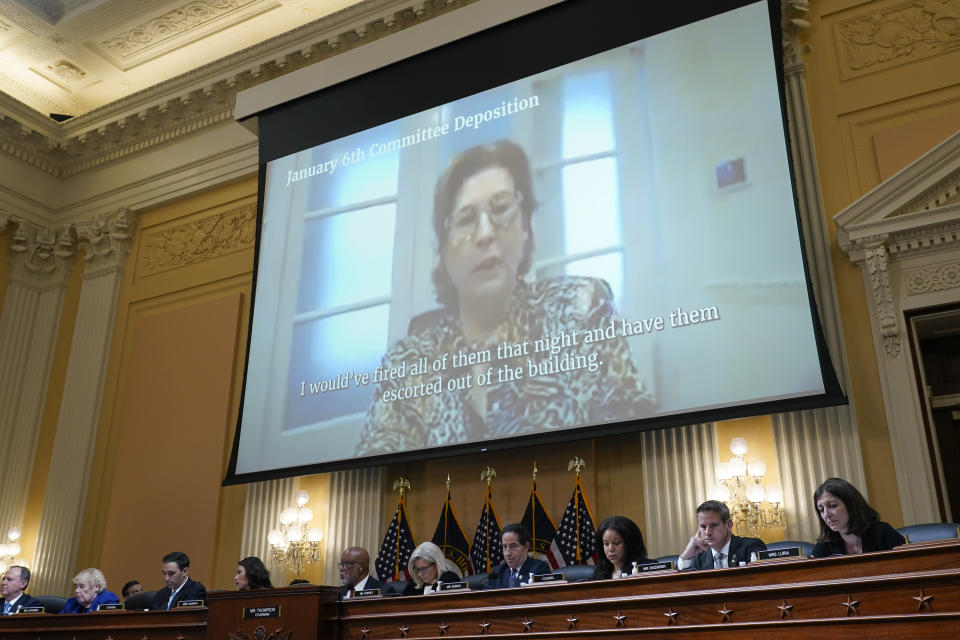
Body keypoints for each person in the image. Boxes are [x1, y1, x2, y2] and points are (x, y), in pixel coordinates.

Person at [357, 140, 655, 456]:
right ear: (443, 252)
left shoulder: (580, 310)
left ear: (525, 227)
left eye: (501, 209)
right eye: (466, 219)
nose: (486, 233)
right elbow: (379, 462)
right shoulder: (410, 360)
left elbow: (631, 428)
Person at [811, 477, 906, 557]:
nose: (826, 514)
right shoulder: (824, 544)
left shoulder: (882, 532)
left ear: (851, 505)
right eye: (821, 510)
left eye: (833, 505)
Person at [677, 500, 766, 570]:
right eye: (703, 527)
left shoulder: (751, 547)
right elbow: (681, 587)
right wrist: (686, 555)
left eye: (713, 525)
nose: (708, 532)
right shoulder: (699, 558)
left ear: (729, 524)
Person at [487, 523, 550, 588]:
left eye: (513, 546)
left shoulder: (540, 569)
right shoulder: (496, 572)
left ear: (526, 546)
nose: (507, 553)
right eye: (505, 546)